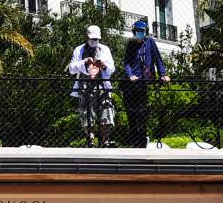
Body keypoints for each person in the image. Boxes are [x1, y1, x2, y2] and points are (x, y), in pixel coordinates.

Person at [119, 18, 167, 148]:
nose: (140, 33)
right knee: (132, 113)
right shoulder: (131, 44)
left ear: (146, 32)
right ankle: (134, 140)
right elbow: (127, 63)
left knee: (142, 113)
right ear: (134, 32)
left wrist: (163, 74)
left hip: (144, 82)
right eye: (138, 31)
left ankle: (142, 139)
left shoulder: (150, 42)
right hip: (131, 83)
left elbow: (158, 59)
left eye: (142, 31)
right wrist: (130, 75)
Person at [66, 25, 116, 148]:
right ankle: (91, 139)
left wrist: (104, 65)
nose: (94, 41)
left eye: (97, 39)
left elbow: (112, 68)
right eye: (92, 39)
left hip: (102, 85)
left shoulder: (105, 49)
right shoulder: (79, 50)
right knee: (87, 112)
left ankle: (105, 140)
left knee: (107, 110)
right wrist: (84, 62)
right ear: (87, 38)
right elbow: (71, 69)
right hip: (85, 85)